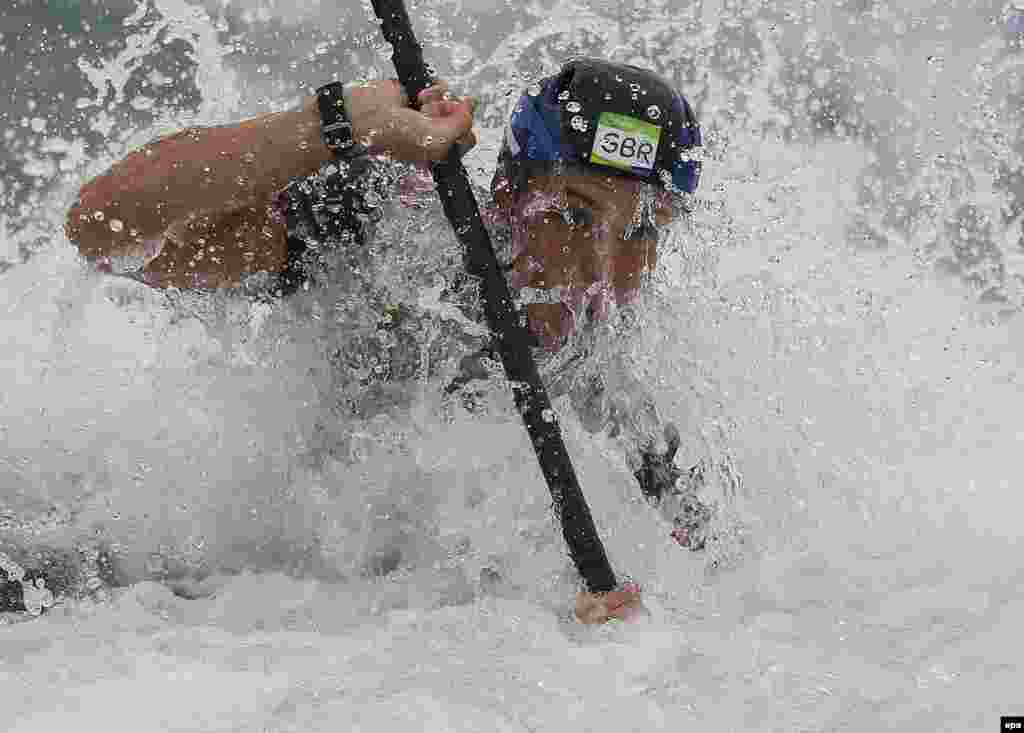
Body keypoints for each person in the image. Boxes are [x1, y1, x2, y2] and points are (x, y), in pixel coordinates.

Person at [56, 57, 712, 624]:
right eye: (572, 213)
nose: (600, 265)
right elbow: (100, 224)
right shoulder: (385, 231)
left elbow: (711, 579)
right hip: (237, 587)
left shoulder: (620, 406)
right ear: (508, 195)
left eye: (641, 232)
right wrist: (333, 124)